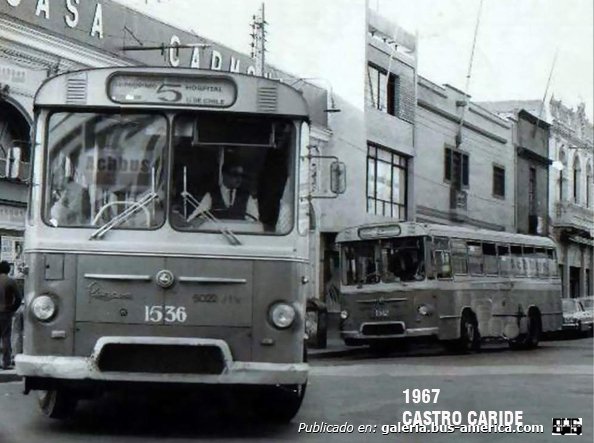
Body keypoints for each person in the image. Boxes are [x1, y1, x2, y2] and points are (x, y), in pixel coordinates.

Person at [189, 162, 259, 222]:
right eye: (235, 174)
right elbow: (196, 218)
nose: (239, 178)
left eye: (241, 175)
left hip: (240, 236)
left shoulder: (246, 197)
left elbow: (255, 220)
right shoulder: (212, 195)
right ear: (224, 175)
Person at [0, 261, 22, 370]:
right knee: (5, 337)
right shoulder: (11, 281)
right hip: (5, 312)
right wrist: (13, 309)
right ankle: (6, 363)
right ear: (8, 270)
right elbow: (18, 298)